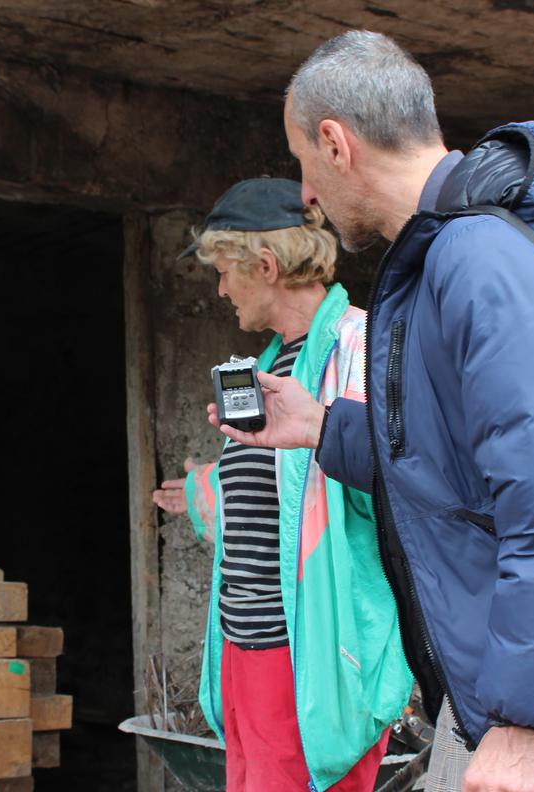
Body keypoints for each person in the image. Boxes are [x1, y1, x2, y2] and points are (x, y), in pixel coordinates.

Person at [214, 32, 534, 792]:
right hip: (522, 671)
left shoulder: (481, 258)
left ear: (336, 143)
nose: (306, 196)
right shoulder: (444, 256)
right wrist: (323, 428)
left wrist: (524, 723)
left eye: (301, 163)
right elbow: (453, 466)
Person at [151, 177, 413, 792]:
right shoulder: (266, 367)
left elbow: (398, 483)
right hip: (245, 654)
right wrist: (203, 489)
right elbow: (286, 495)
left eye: (223, 271)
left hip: (311, 661)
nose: (218, 288)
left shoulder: (361, 345)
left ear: (265, 264)